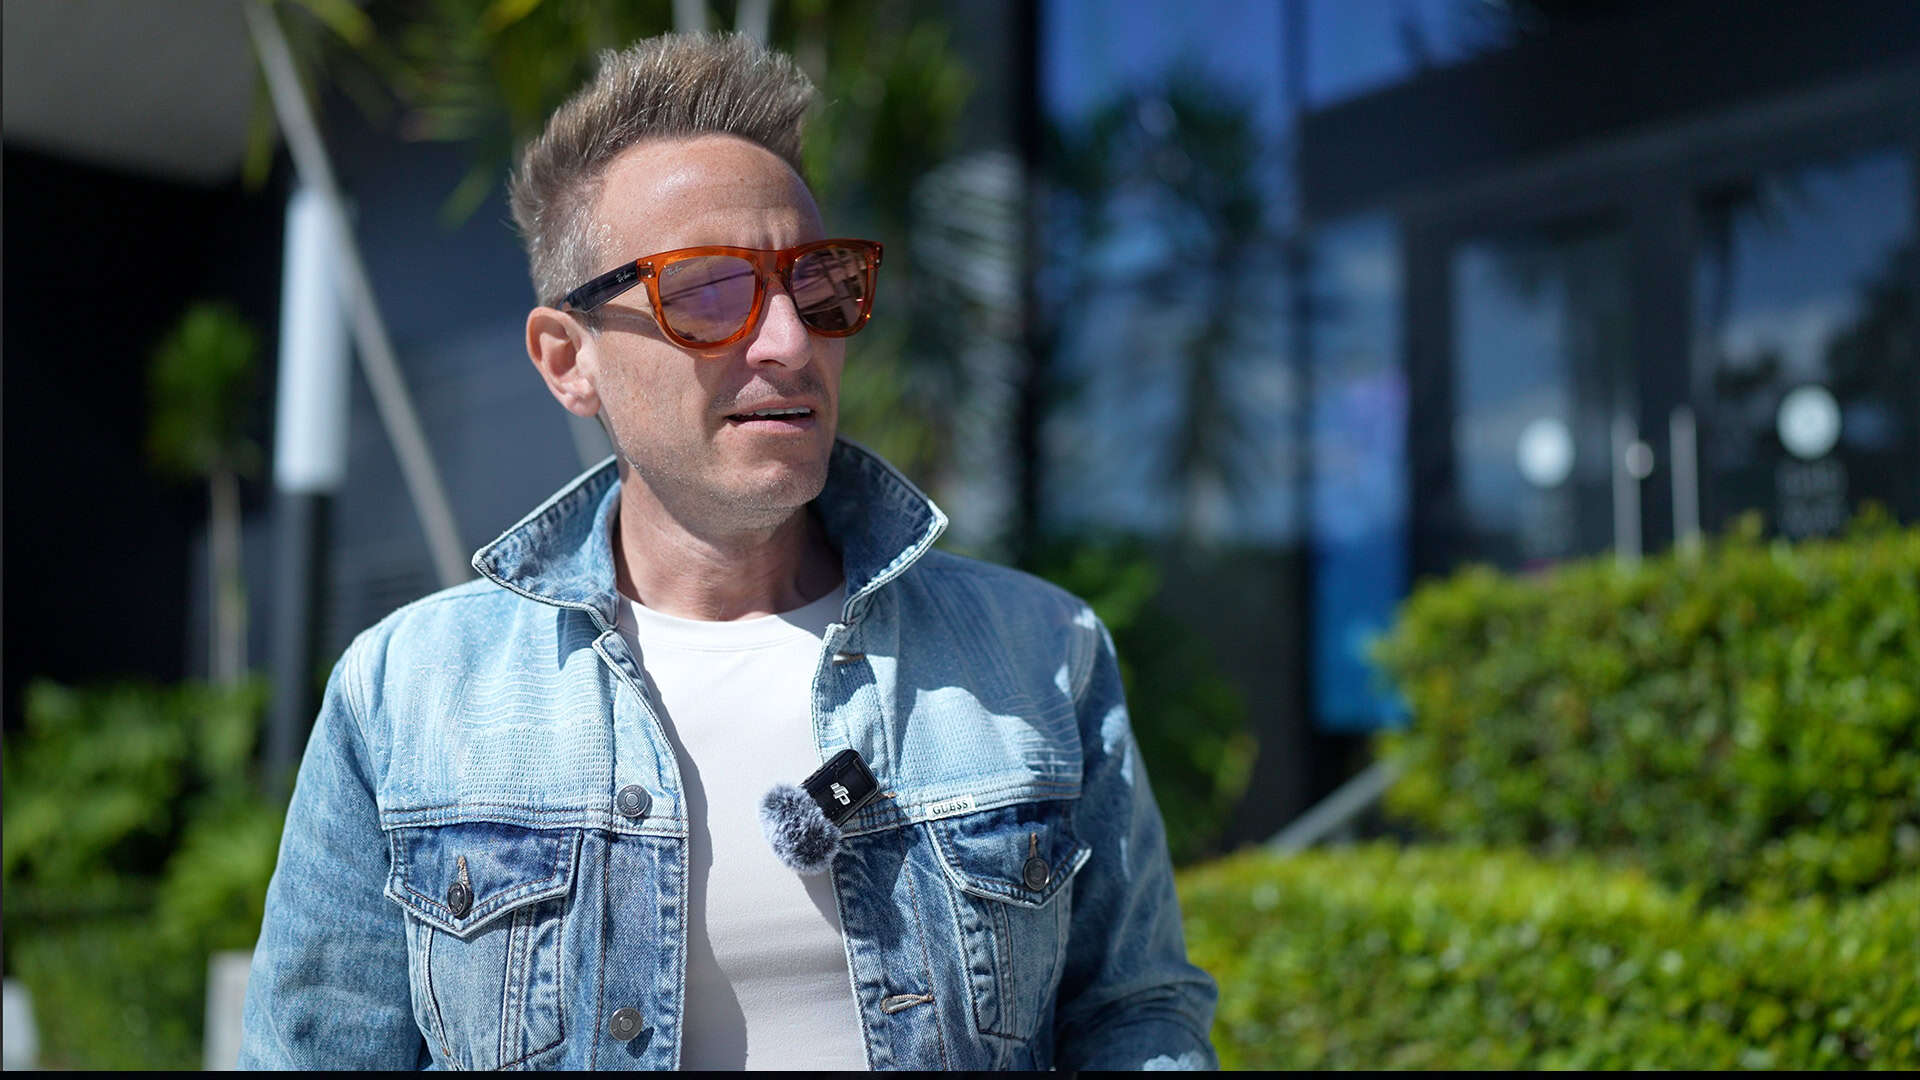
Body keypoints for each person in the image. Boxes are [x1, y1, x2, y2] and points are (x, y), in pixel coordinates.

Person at [238, 30, 1216, 1071]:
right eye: (707, 292)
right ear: (568, 360)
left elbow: (1136, 1019)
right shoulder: (410, 691)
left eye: (820, 285)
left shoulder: (1038, 655)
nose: (790, 341)